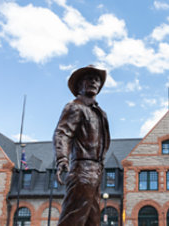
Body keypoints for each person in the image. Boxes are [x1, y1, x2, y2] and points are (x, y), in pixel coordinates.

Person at [53, 65, 110, 226]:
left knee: (92, 220)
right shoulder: (75, 107)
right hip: (81, 170)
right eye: (89, 78)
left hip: (96, 172)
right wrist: (62, 158)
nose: (93, 81)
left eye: (97, 79)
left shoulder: (101, 114)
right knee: (73, 219)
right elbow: (62, 133)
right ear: (79, 85)